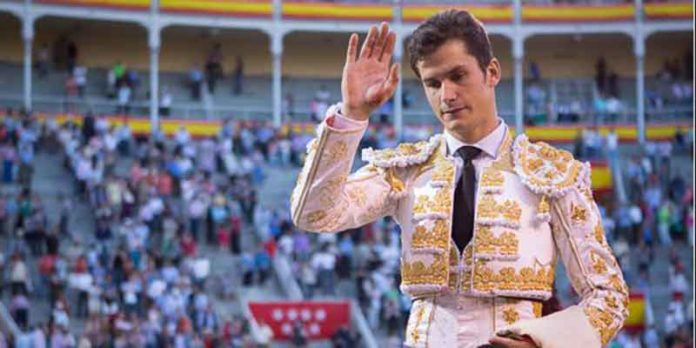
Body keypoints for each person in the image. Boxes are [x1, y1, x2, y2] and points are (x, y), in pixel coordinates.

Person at [290, 11, 628, 348]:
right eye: (433, 83)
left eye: (458, 76)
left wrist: (538, 343)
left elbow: (608, 297)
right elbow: (314, 214)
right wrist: (352, 114)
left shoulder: (551, 176)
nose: (447, 95)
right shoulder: (406, 170)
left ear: (492, 72)